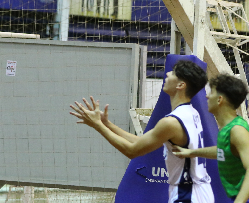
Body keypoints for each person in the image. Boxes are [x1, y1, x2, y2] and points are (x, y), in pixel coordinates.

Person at [70, 60, 214, 203]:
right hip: (200, 190)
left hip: (187, 194)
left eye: (173, 73)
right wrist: (106, 124)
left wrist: (97, 126)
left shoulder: (171, 122)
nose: (168, 74)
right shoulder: (191, 113)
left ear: (181, 85)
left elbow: (132, 151)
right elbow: (140, 142)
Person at [174, 74, 249, 203]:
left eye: (211, 92)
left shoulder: (237, 130)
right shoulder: (229, 127)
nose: (207, 96)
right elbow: (222, 151)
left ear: (219, 100)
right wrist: (191, 152)